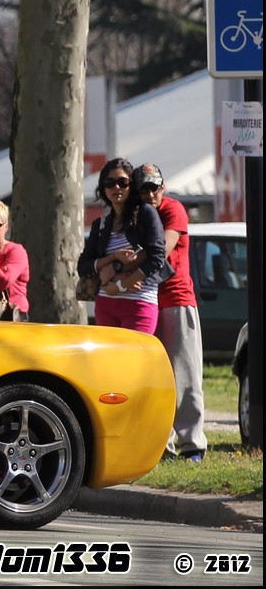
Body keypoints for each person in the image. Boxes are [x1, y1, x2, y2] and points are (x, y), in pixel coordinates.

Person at [141, 163, 206, 462]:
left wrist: (123, 259)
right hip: (146, 301)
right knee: (156, 379)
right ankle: (160, 446)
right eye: (143, 188)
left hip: (177, 299)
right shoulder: (138, 214)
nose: (150, 193)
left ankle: (192, 444)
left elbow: (163, 249)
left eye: (154, 187)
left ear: (163, 187)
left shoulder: (172, 209)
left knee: (186, 376)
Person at [78, 158, 166, 334]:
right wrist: (112, 258)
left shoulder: (145, 213)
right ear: (103, 188)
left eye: (122, 182)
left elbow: (157, 257)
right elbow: (83, 267)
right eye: (109, 183)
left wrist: (121, 285)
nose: (116, 188)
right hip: (106, 303)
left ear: (131, 186)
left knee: (135, 359)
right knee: (108, 361)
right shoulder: (101, 224)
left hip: (140, 302)